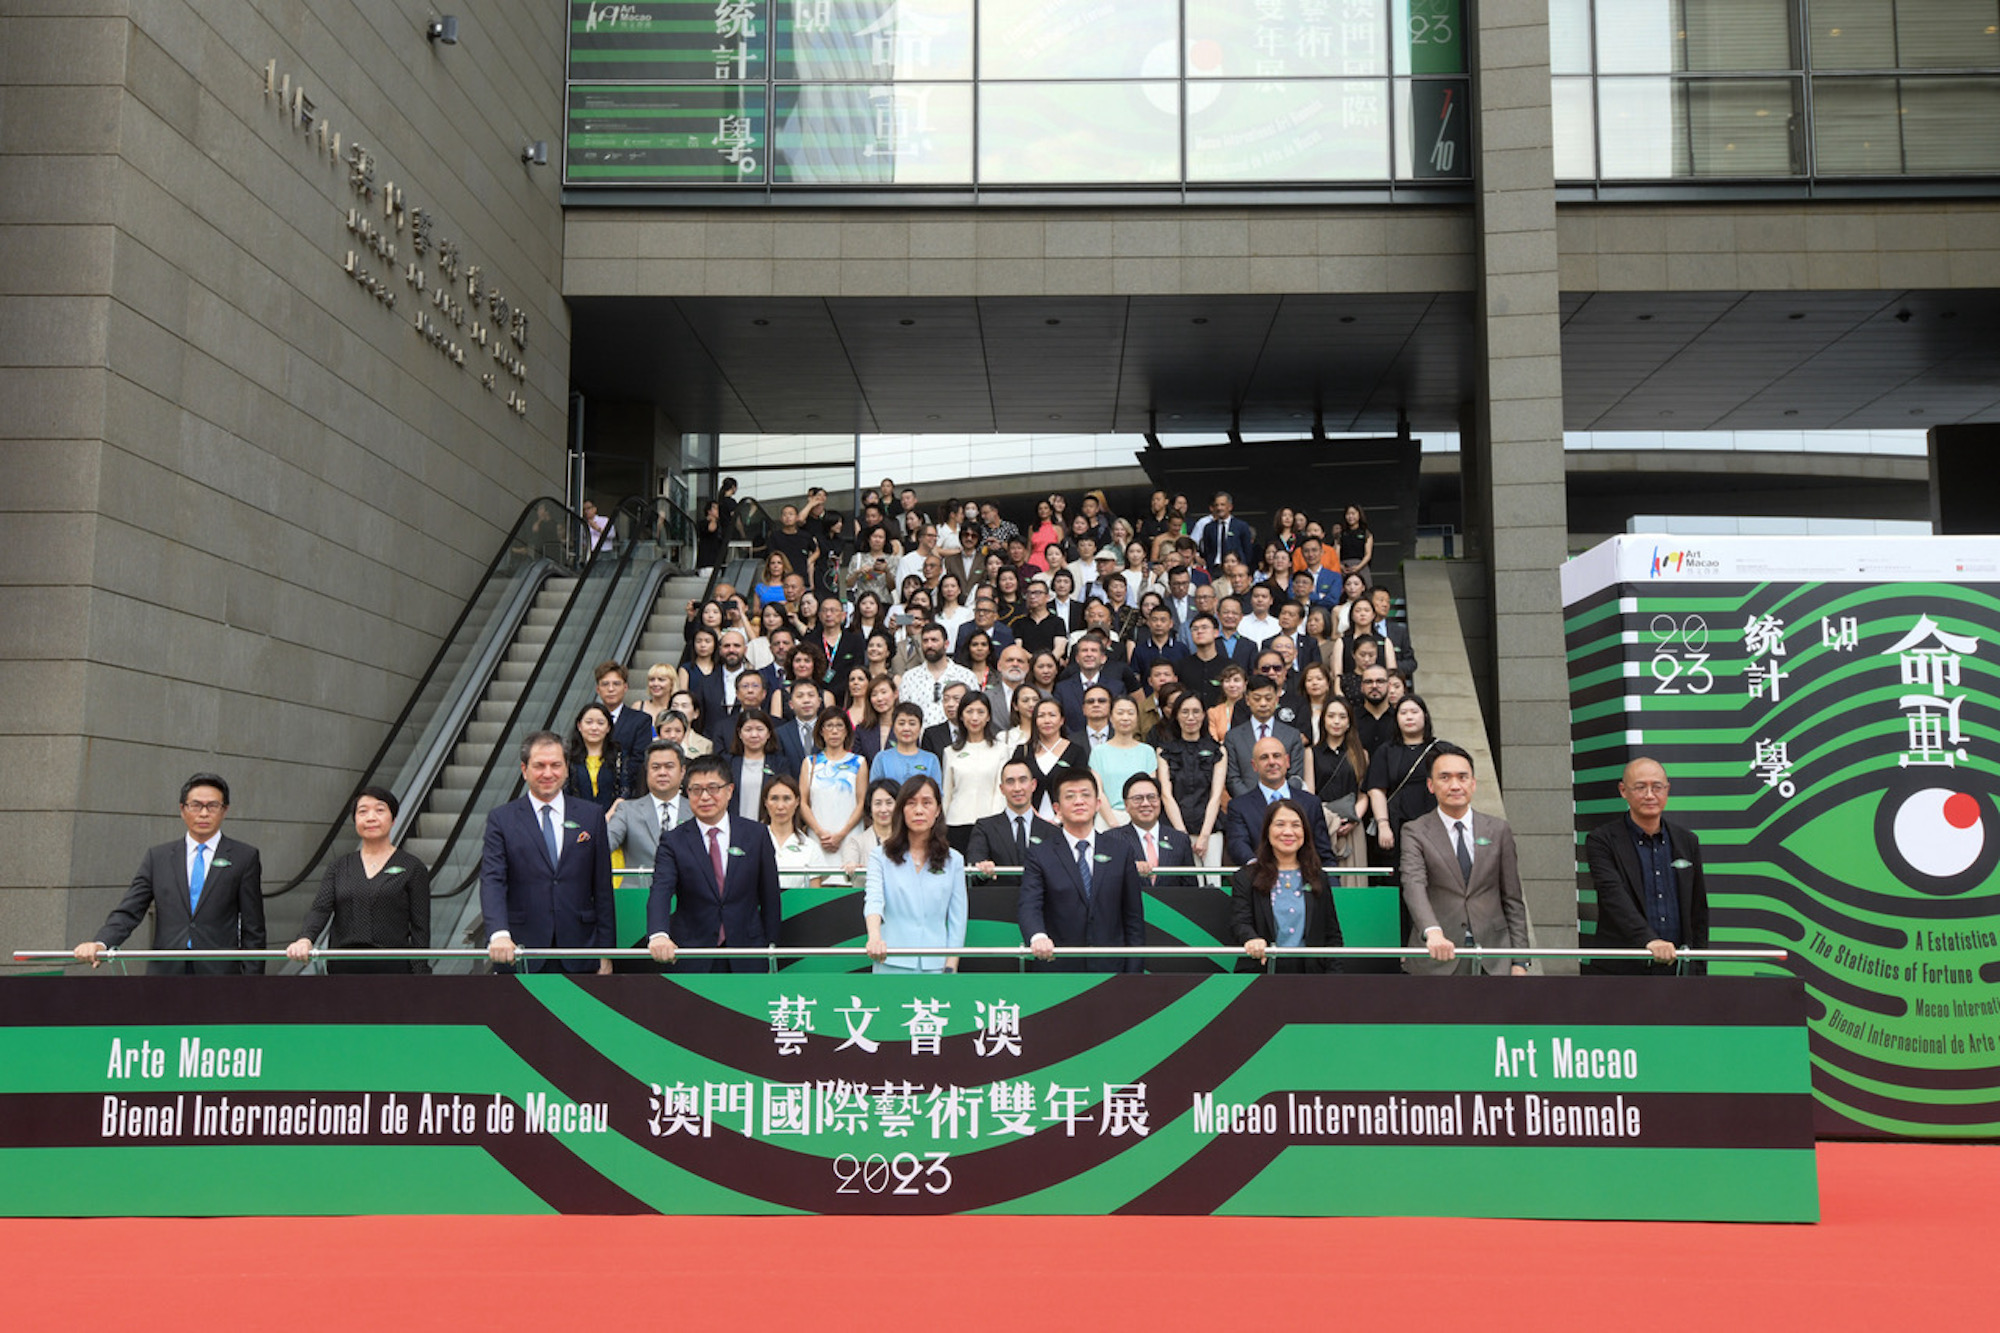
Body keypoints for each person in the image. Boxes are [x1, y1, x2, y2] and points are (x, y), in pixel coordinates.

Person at [76, 772, 266, 975]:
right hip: (166, 971)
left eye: (212, 806)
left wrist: (252, 983)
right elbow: (130, 910)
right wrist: (102, 943)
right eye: (195, 805)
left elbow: (253, 927)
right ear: (182, 810)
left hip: (220, 972)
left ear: (224, 810)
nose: (203, 813)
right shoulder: (158, 857)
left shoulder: (244, 857)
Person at [481, 731, 615, 974]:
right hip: (521, 949)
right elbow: (493, 881)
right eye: (539, 766)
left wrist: (606, 952)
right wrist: (499, 934)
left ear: (566, 769)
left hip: (581, 949)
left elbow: (602, 888)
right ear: (524, 770)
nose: (547, 773)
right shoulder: (502, 819)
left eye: (555, 765)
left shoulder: (591, 815)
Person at [646, 753, 784, 971]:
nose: (705, 797)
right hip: (692, 952)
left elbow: (770, 896)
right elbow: (660, 890)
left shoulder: (756, 834)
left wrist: (770, 948)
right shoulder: (673, 841)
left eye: (713, 788)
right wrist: (659, 934)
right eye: (696, 790)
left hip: (747, 951)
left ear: (729, 791)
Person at [1401, 743, 1529, 977]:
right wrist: (1433, 932)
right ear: (1431, 785)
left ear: (1473, 783)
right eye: (1445, 777)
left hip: (1494, 959)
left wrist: (1520, 961)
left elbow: (1512, 898)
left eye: (1462, 777)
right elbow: (1413, 885)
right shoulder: (1415, 832)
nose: (1455, 785)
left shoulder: (1498, 830)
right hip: (1437, 957)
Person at [1583, 757, 1709, 975]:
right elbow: (1612, 897)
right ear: (1623, 791)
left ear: (1667, 790)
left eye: (1657, 787)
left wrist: (1697, 968)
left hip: (1678, 970)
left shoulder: (1687, 841)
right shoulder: (1602, 840)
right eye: (1640, 787)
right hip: (1621, 972)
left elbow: (1698, 910)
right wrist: (1649, 941)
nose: (1650, 795)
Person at [287, 786, 431, 974]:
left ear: (393, 819)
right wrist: (305, 938)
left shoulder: (412, 867)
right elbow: (320, 909)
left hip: (393, 969)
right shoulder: (339, 867)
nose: (371, 817)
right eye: (363, 811)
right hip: (343, 968)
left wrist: (420, 974)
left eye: (380, 810)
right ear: (355, 820)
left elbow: (421, 928)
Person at [1018, 767, 1148, 974]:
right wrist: (1038, 936)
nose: (1079, 801)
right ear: (1057, 808)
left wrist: (1133, 973)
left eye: (1085, 795)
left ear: (1097, 804)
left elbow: (1133, 918)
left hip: (1111, 970)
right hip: (1058, 968)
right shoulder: (1040, 854)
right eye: (1070, 796)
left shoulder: (1121, 851)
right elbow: (1029, 904)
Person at [863, 776, 968, 974]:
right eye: (911, 803)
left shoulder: (954, 860)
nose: (919, 810)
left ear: (937, 810)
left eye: (927, 803)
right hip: (891, 961)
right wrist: (875, 938)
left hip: (936, 966)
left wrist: (950, 966)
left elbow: (958, 919)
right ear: (901, 809)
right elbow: (874, 901)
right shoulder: (880, 856)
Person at [1231, 799, 1345, 974]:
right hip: (1262, 974)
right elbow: (1240, 922)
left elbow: (1332, 936)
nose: (1288, 832)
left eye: (1296, 825)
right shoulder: (1246, 876)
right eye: (1280, 824)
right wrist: (1252, 939)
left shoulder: (1318, 877)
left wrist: (1335, 980)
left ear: (1305, 832)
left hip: (1312, 977)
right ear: (1267, 831)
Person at [1223, 735, 1335, 868]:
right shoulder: (1239, 806)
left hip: (1305, 881)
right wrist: (1259, 869)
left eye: (1276, 756)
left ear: (1287, 761)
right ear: (1254, 766)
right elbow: (1238, 845)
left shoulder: (1311, 803)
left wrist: (1331, 885)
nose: (1271, 762)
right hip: (1259, 880)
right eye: (1264, 757)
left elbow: (1324, 853)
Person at [1365, 694, 1441, 879]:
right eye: (1403, 713)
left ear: (1425, 716)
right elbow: (1376, 790)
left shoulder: (1442, 750)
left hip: (1435, 825)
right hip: (1397, 825)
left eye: (1414, 712)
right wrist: (1383, 824)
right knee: (1400, 878)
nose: (1409, 717)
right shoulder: (1386, 750)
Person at [606, 739, 691, 884]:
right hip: (638, 897)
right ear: (646, 771)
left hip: (688, 896)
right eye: (655, 767)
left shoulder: (696, 811)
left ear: (682, 771)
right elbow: (604, 844)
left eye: (669, 767)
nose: (662, 773)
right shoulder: (627, 810)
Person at [1158, 690, 1226, 866]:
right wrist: (1182, 836)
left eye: (1196, 711)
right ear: (1176, 716)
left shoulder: (1218, 751)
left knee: (1212, 885)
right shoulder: (1164, 751)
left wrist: (1204, 836)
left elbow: (1216, 796)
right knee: (1183, 887)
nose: (1191, 717)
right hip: (1174, 829)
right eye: (1184, 712)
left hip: (1210, 829)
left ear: (1204, 715)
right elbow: (1166, 795)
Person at [799, 710, 869, 876]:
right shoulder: (810, 763)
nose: (834, 731)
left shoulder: (859, 762)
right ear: (821, 731)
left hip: (849, 837)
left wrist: (842, 834)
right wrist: (820, 832)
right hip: (818, 837)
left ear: (846, 731)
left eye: (839, 726)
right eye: (829, 726)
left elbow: (861, 802)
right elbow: (803, 802)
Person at [941, 693, 1008, 853]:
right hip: (956, 823)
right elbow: (947, 794)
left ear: (988, 717)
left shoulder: (1001, 750)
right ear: (961, 717)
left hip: (990, 824)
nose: (975, 717)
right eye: (969, 711)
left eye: (980, 712)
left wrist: (995, 822)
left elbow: (1000, 791)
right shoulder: (950, 752)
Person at [969, 757, 1054, 876]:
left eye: (1023, 780)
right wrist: (983, 869)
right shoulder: (984, 828)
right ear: (1002, 789)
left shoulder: (1052, 832)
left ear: (1033, 785)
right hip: (997, 894)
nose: (1017, 788)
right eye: (1010, 782)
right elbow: (974, 869)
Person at [1224, 674, 1307, 798]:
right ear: (1247, 700)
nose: (1263, 704)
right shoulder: (1233, 737)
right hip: (1247, 807)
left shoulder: (1292, 735)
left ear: (1276, 700)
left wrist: (1278, 800)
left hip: (1284, 806)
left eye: (1268, 698)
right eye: (1257, 699)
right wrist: (1253, 803)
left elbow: (1296, 777)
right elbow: (1232, 779)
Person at [1312, 698, 1369, 870]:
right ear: (1323, 720)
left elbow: (1363, 794)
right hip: (1321, 823)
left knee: (1353, 883)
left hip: (1352, 824)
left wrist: (1352, 821)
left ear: (1349, 722)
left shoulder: (1362, 755)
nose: (1336, 721)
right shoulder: (1311, 753)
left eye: (1342, 717)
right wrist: (1328, 821)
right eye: (1331, 716)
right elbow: (1309, 793)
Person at [1089, 696, 1159, 828]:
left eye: (1131, 713)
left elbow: (1150, 790)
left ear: (1137, 718)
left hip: (1141, 817)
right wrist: (1113, 823)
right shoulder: (1099, 752)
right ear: (1111, 717)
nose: (1125, 718)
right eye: (1120, 713)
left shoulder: (1147, 752)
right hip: (1107, 818)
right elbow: (1097, 791)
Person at [1111, 772, 1192, 870]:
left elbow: (1190, 884)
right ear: (1126, 805)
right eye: (1138, 798)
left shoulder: (1180, 840)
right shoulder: (1112, 839)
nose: (1145, 803)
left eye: (1151, 797)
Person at [592, 660, 652, 788]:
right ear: (598, 689)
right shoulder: (588, 719)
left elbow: (639, 760)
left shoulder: (641, 720)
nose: (611, 689)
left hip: (626, 790)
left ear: (625, 688)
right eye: (605, 684)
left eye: (616, 684)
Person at [728, 707, 795, 820]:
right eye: (748, 730)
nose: (754, 735)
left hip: (769, 826)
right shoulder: (729, 763)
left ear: (768, 733)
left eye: (760, 729)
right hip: (735, 826)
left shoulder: (779, 764)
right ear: (740, 733)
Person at [563, 702, 628, 809]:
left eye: (600, 723)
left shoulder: (619, 755)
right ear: (579, 726)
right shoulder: (568, 756)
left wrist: (608, 817)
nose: (594, 728)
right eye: (589, 722)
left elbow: (625, 790)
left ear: (608, 728)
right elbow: (565, 791)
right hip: (576, 816)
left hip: (612, 818)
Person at [839, 778, 904, 884]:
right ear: (870, 807)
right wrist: (851, 866)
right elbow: (849, 863)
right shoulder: (856, 842)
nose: (883, 809)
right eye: (878, 803)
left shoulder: (910, 840)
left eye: (889, 803)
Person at [873, 701, 943, 786]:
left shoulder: (931, 760)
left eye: (912, 723)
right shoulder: (881, 758)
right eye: (901, 723)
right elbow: (875, 791)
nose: (906, 728)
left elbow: (936, 794)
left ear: (920, 727)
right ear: (893, 727)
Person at [760, 774, 816, 880]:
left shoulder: (811, 847)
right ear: (766, 803)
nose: (780, 806)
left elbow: (814, 895)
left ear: (797, 802)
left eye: (787, 799)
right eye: (774, 798)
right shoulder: (752, 843)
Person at [1335, 503, 1374, 585]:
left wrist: (1358, 567)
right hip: (1344, 567)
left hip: (1361, 566)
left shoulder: (1366, 533)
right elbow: (1336, 552)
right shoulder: (1341, 534)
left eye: (1353, 513)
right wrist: (1340, 566)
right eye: (1348, 514)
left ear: (1359, 515)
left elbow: (1368, 554)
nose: (1350, 516)